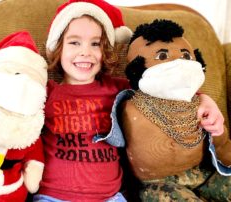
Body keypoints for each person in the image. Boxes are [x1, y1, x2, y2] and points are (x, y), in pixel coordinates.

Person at [34, 1, 225, 201]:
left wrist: (204, 99)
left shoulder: (117, 89)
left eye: (95, 44)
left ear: (106, 51)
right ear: (57, 47)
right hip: (54, 196)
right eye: (74, 42)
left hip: (111, 197)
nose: (85, 52)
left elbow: (167, 89)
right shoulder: (45, 91)